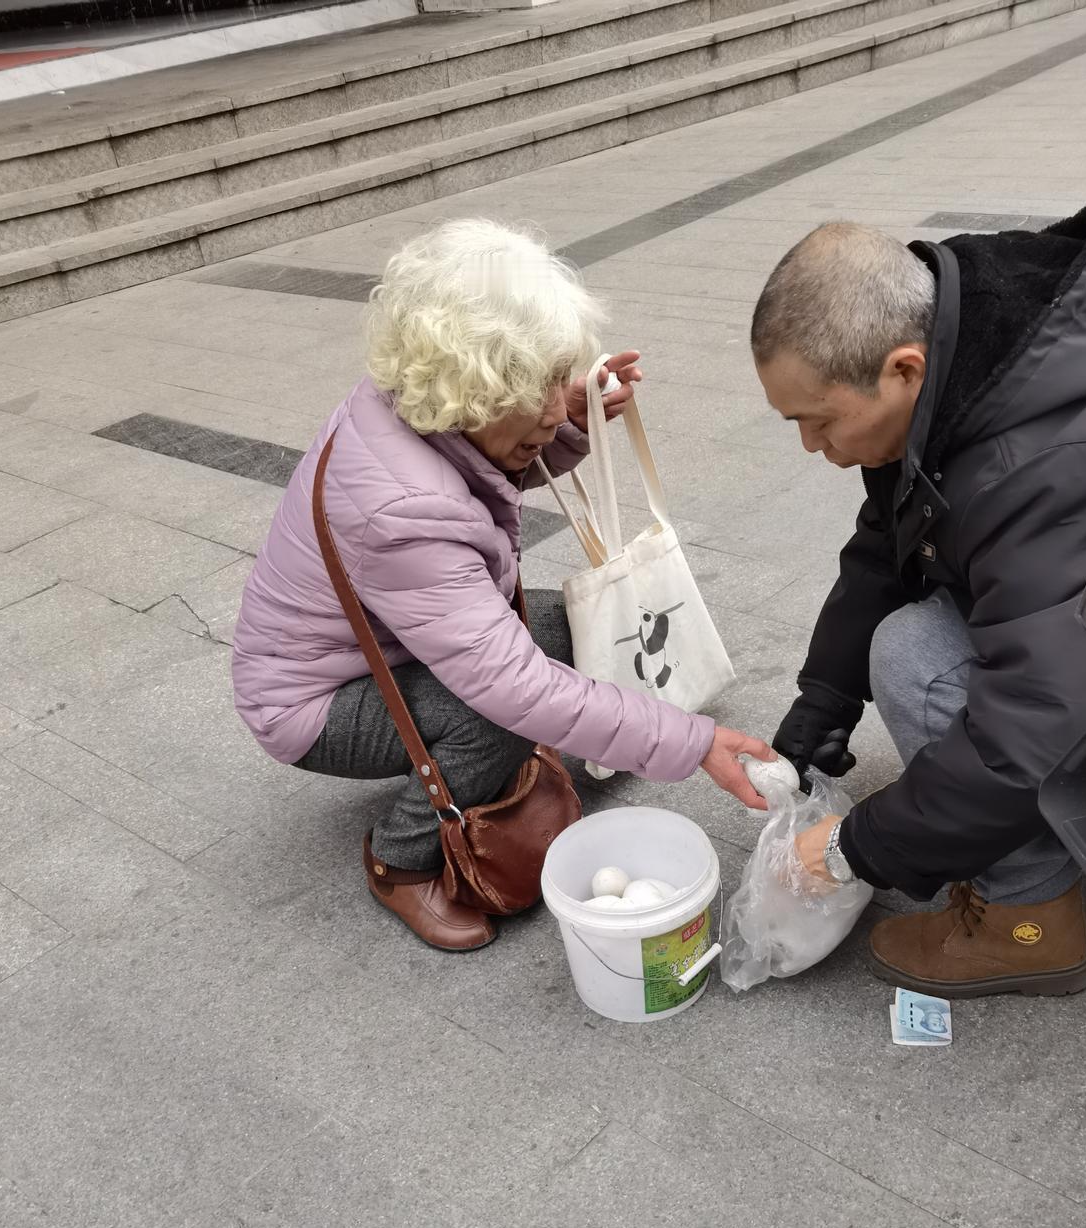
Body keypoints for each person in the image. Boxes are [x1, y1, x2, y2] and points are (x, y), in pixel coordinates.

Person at [234, 219, 772, 952]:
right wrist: (688, 741)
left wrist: (569, 423)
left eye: (558, 376)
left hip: (383, 653)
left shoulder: (415, 400)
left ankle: (489, 762)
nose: (558, 402)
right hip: (313, 704)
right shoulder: (402, 510)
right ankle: (401, 857)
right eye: (542, 386)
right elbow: (512, 687)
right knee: (501, 709)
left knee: (566, 629)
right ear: (474, 391)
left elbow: (484, 467)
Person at [751, 200, 1086, 998]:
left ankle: (1028, 923)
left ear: (902, 369)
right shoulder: (963, 342)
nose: (811, 447)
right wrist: (822, 699)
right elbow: (886, 540)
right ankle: (1030, 856)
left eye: (819, 421)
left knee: (914, 657)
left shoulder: (1050, 458)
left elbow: (1038, 723)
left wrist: (851, 849)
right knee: (901, 635)